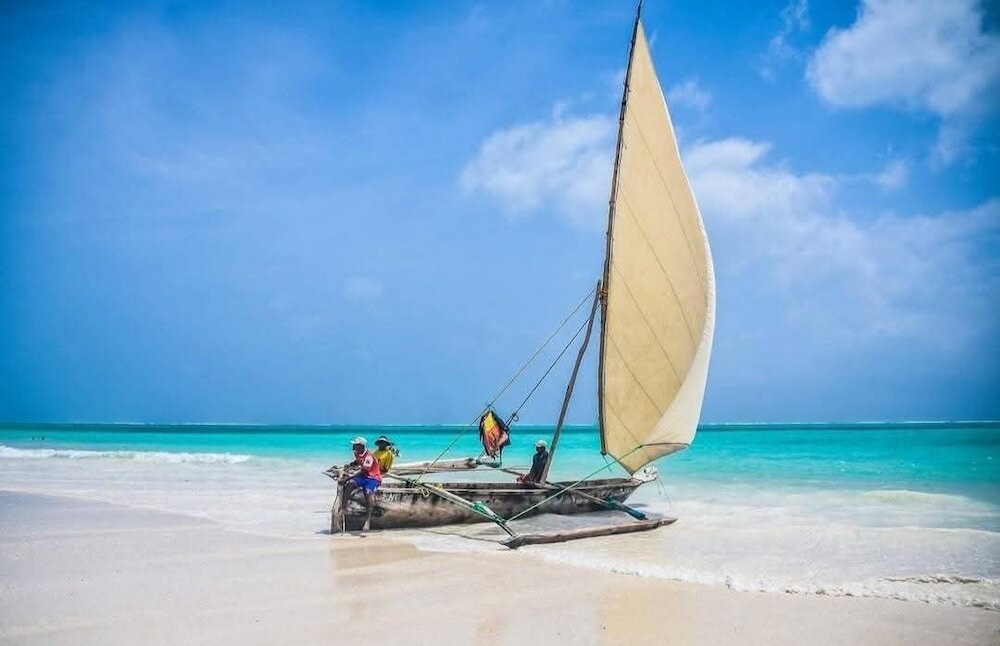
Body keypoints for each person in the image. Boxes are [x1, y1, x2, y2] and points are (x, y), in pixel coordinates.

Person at [339, 436, 382, 532]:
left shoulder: (369, 456)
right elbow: (357, 461)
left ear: (361, 446)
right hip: (363, 477)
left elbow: (363, 471)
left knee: (367, 492)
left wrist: (348, 477)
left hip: (373, 478)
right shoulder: (357, 453)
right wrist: (349, 465)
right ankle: (343, 508)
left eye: (355, 444)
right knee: (350, 484)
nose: (353, 446)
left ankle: (367, 521)